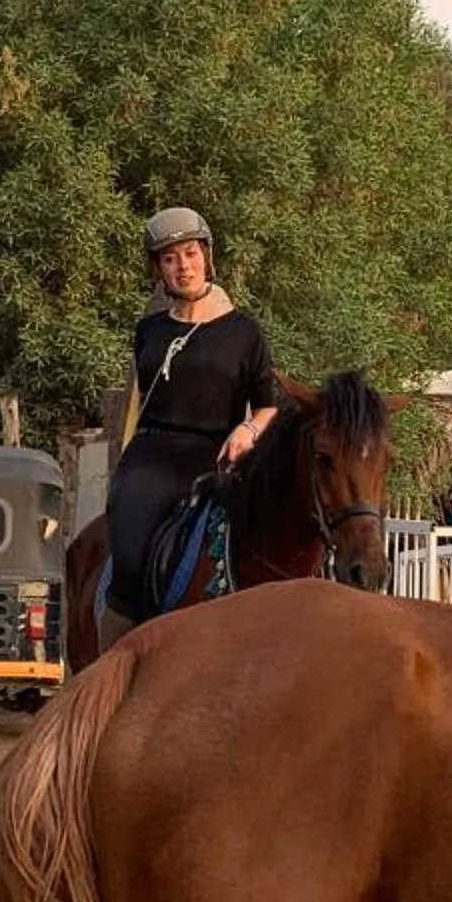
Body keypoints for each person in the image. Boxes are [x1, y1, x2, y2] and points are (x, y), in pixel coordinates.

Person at [101, 207, 278, 625]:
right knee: (128, 532)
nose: (184, 267)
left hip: (217, 454)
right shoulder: (149, 330)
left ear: (207, 256)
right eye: (170, 258)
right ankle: (123, 636)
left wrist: (249, 429)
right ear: (159, 269)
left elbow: (270, 405)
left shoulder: (244, 331)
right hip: (154, 456)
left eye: (191, 253)